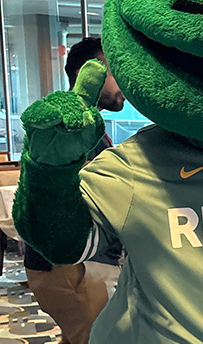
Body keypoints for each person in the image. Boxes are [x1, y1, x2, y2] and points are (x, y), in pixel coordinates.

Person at [24, 37, 125, 344]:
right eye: (114, 71)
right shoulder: (67, 130)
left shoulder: (90, 127)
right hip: (72, 265)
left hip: (85, 261)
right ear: (87, 74)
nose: (123, 81)